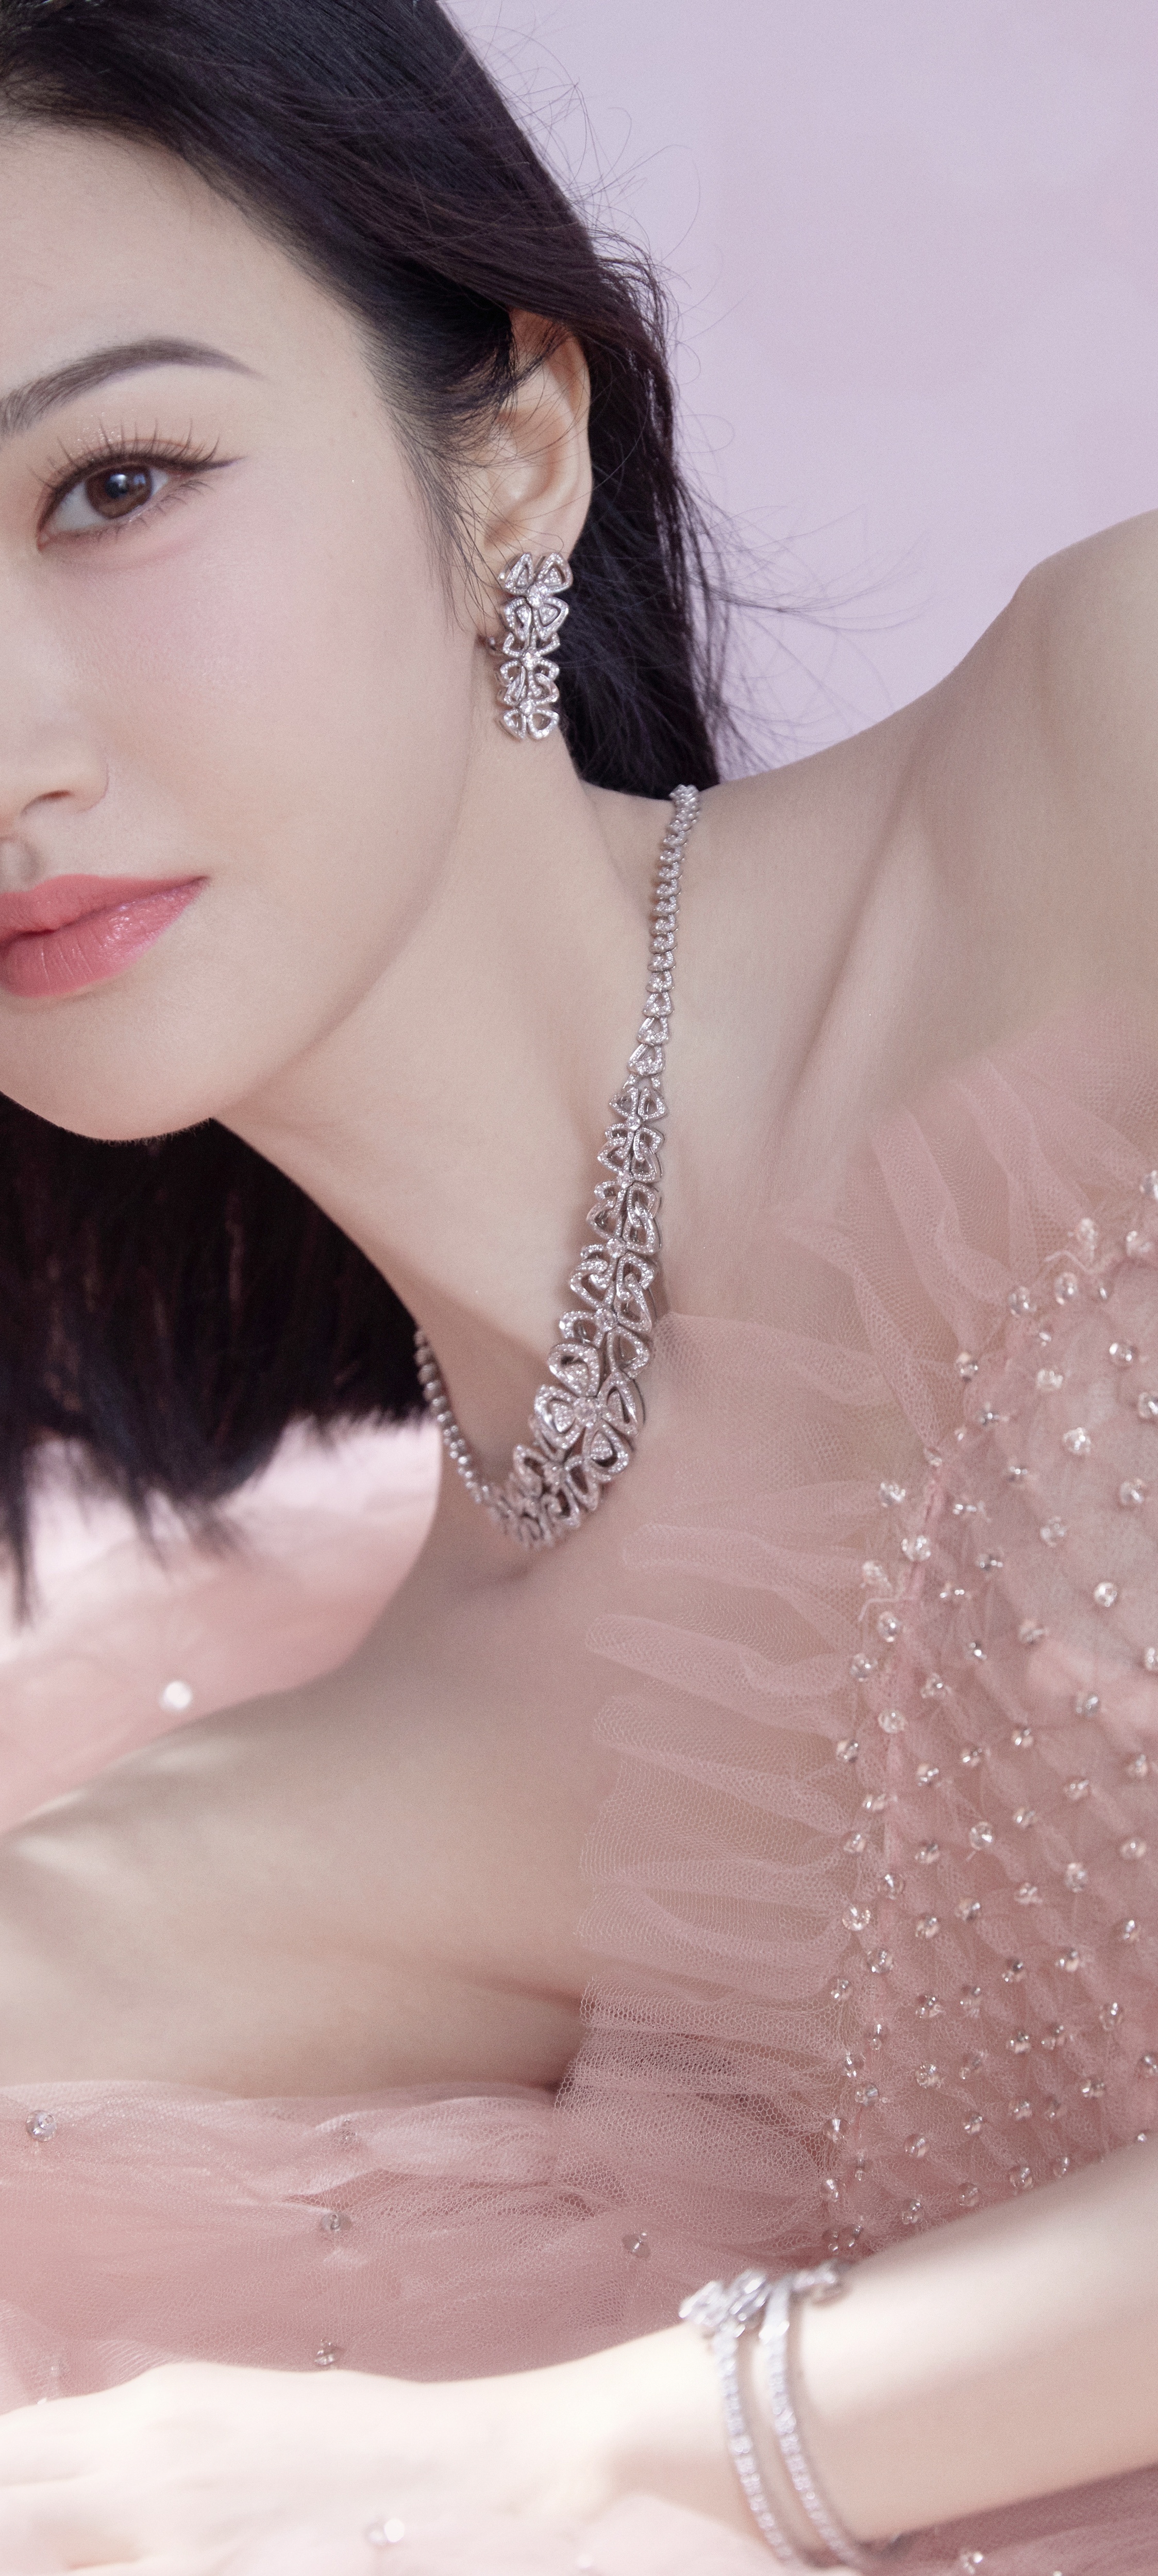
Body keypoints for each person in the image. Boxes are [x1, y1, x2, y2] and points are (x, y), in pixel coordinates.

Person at [0, 1, 1154, 2568]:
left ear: (517, 448)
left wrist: (630, 2443)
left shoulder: (1123, 761)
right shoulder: (315, 1831)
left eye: (114, 485)